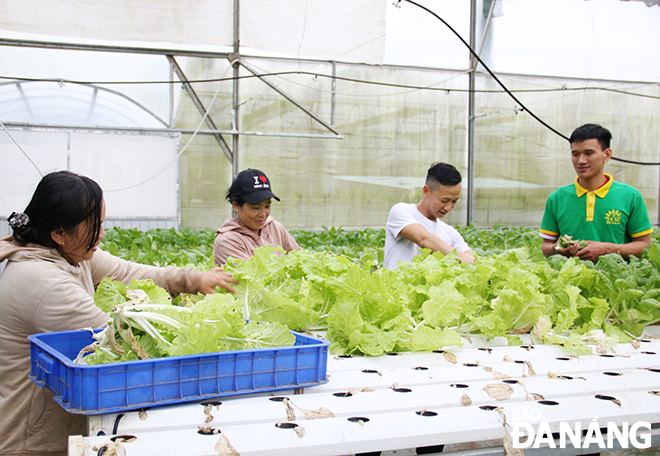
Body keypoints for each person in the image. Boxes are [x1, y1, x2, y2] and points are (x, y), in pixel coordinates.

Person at [0, 170, 237, 456]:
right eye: (94, 226)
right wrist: (198, 331)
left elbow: (127, 272)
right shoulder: (43, 282)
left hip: (57, 420)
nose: (101, 234)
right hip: (31, 440)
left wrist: (194, 280)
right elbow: (117, 338)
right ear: (59, 232)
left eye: (101, 223)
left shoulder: (69, 252)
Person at [540, 124, 653, 261]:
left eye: (589, 153)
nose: (581, 161)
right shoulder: (557, 198)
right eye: (575, 154)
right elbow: (546, 246)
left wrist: (607, 250)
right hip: (569, 280)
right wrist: (557, 249)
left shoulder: (630, 196)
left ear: (607, 155)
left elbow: (645, 247)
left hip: (617, 280)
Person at [384, 162, 475, 270]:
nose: (448, 207)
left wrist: (471, 261)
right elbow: (423, 239)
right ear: (426, 191)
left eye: (454, 201)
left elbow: (472, 258)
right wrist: (465, 260)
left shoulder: (450, 233)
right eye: (444, 201)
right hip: (395, 286)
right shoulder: (401, 211)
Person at [213, 168, 301, 265]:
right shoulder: (228, 241)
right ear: (236, 205)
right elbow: (250, 277)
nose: (263, 214)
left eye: (267, 206)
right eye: (255, 208)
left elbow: (301, 258)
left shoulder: (276, 228)